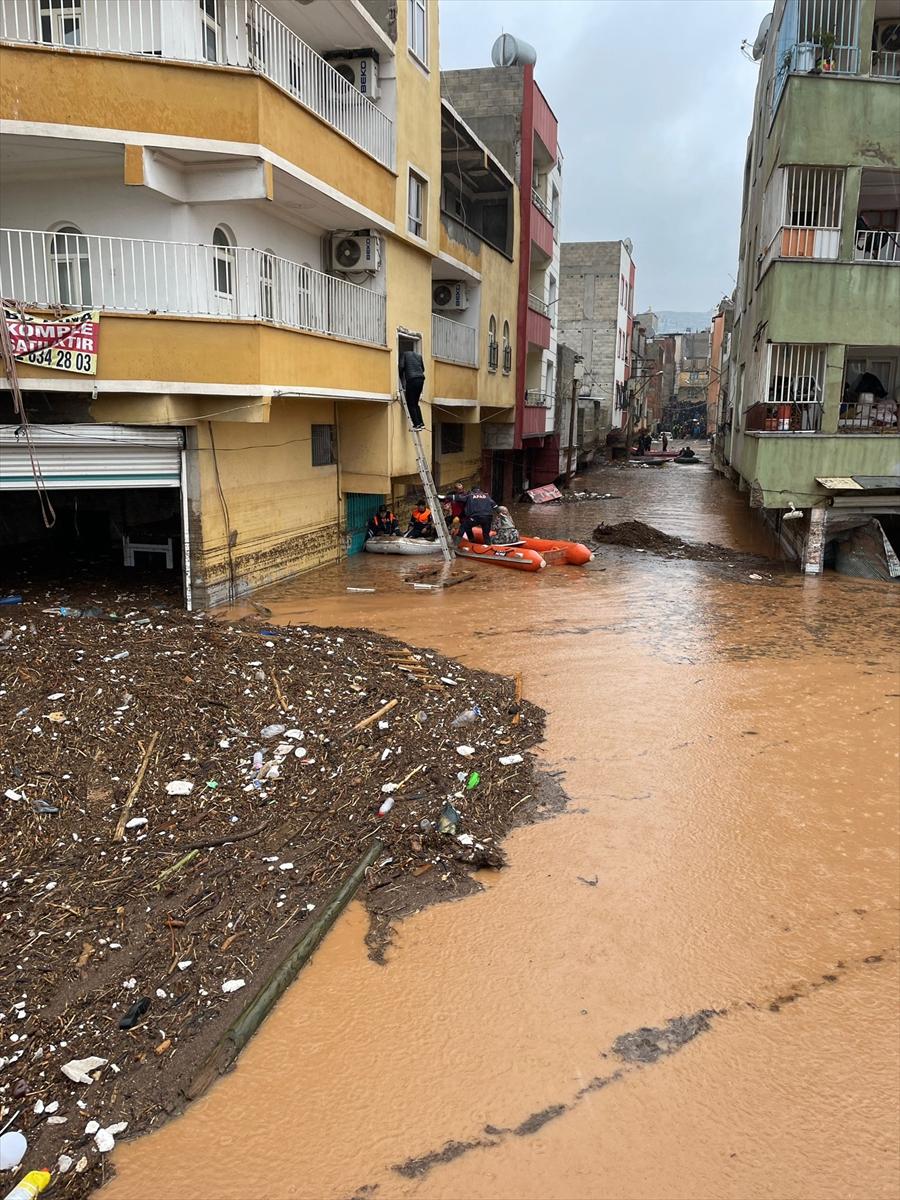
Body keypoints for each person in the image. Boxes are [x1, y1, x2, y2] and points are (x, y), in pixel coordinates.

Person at [398, 348, 426, 429]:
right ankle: (421, 423)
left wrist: (400, 376)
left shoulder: (404, 354)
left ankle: (416, 424)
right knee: (416, 403)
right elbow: (423, 369)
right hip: (421, 380)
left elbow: (401, 366)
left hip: (412, 380)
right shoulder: (418, 356)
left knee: (410, 403)